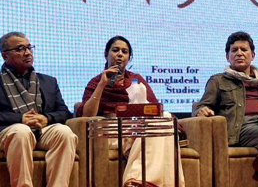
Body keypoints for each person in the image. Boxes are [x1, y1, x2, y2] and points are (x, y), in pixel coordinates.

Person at [76, 35, 185, 187]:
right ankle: (139, 181)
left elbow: (154, 108)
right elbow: (87, 115)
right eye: (115, 50)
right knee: (158, 128)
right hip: (113, 130)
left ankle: (138, 182)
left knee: (165, 117)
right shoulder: (96, 81)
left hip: (138, 126)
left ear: (129, 58)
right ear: (106, 54)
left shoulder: (136, 79)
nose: (120, 54)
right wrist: (102, 85)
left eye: (124, 52)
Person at [0, 32, 76, 187]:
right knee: (22, 131)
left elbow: (64, 112)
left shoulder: (49, 81)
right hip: (5, 132)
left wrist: (46, 118)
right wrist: (20, 119)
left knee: (65, 132)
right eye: (20, 49)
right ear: (5, 56)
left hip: (41, 130)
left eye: (29, 48)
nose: (28, 53)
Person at [194, 31, 258, 187]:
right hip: (241, 128)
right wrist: (201, 110)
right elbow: (201, 106)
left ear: (252, 55)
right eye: (234, 50)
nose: (239, 53)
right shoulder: (218, 81)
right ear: (227, 57)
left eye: (244, 50)